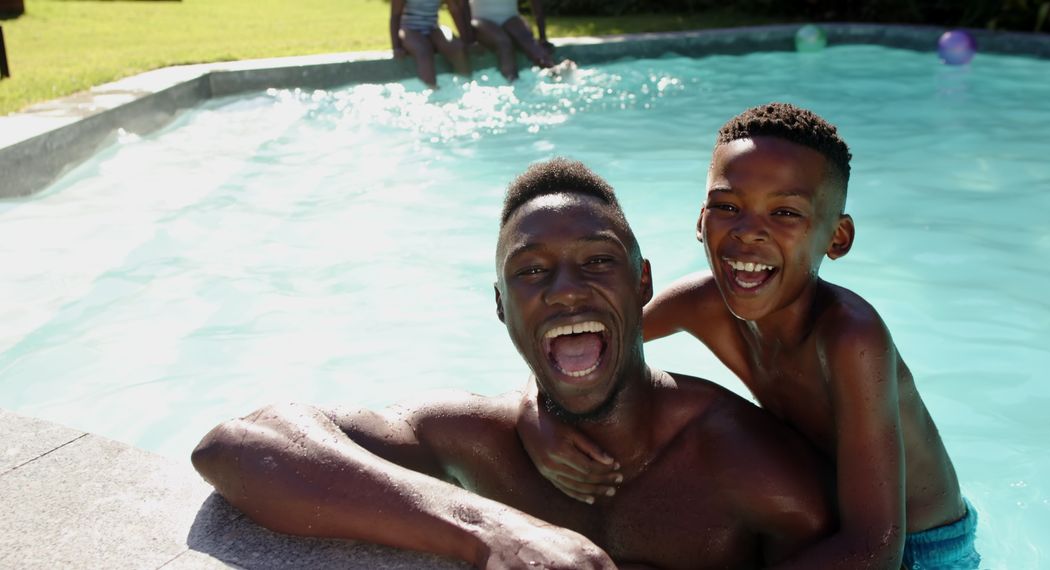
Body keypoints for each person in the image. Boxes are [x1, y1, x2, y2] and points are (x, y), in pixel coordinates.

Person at [192, 158, 836, 568]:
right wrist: (490, 530)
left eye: (597, 261)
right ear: (501, 306)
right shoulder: (480, 441)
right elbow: (241, 444)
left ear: (642, 282)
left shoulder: (746, 465)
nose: (566, 291)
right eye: (531, 271)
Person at [518, 104, 979, 569]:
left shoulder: (850, 337)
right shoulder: (700, 303)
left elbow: (876, 549)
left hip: (920, 547)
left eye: (785, 212)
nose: (749, 232)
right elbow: (588, 340)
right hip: (823, 524)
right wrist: (535, 414)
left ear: (837, 238)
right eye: (727, 207)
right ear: (701, 221)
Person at [390, 0, 472, 88]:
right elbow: (395, 15)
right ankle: (432, 88)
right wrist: (396, 47)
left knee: (457, 47)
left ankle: (465, 84)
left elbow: (454, 10)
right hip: (409, 29)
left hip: (432, 27)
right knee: (423, 51)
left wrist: (467, 41)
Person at [467, 0, 554, 81]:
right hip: (480, 19)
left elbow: (536, 3)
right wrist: (469, 40)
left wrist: (542, 38)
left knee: (530, 43)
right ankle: (513, 82)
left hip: (510, 17)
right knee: (503, 43)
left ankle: (554, 72)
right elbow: (461, 6)